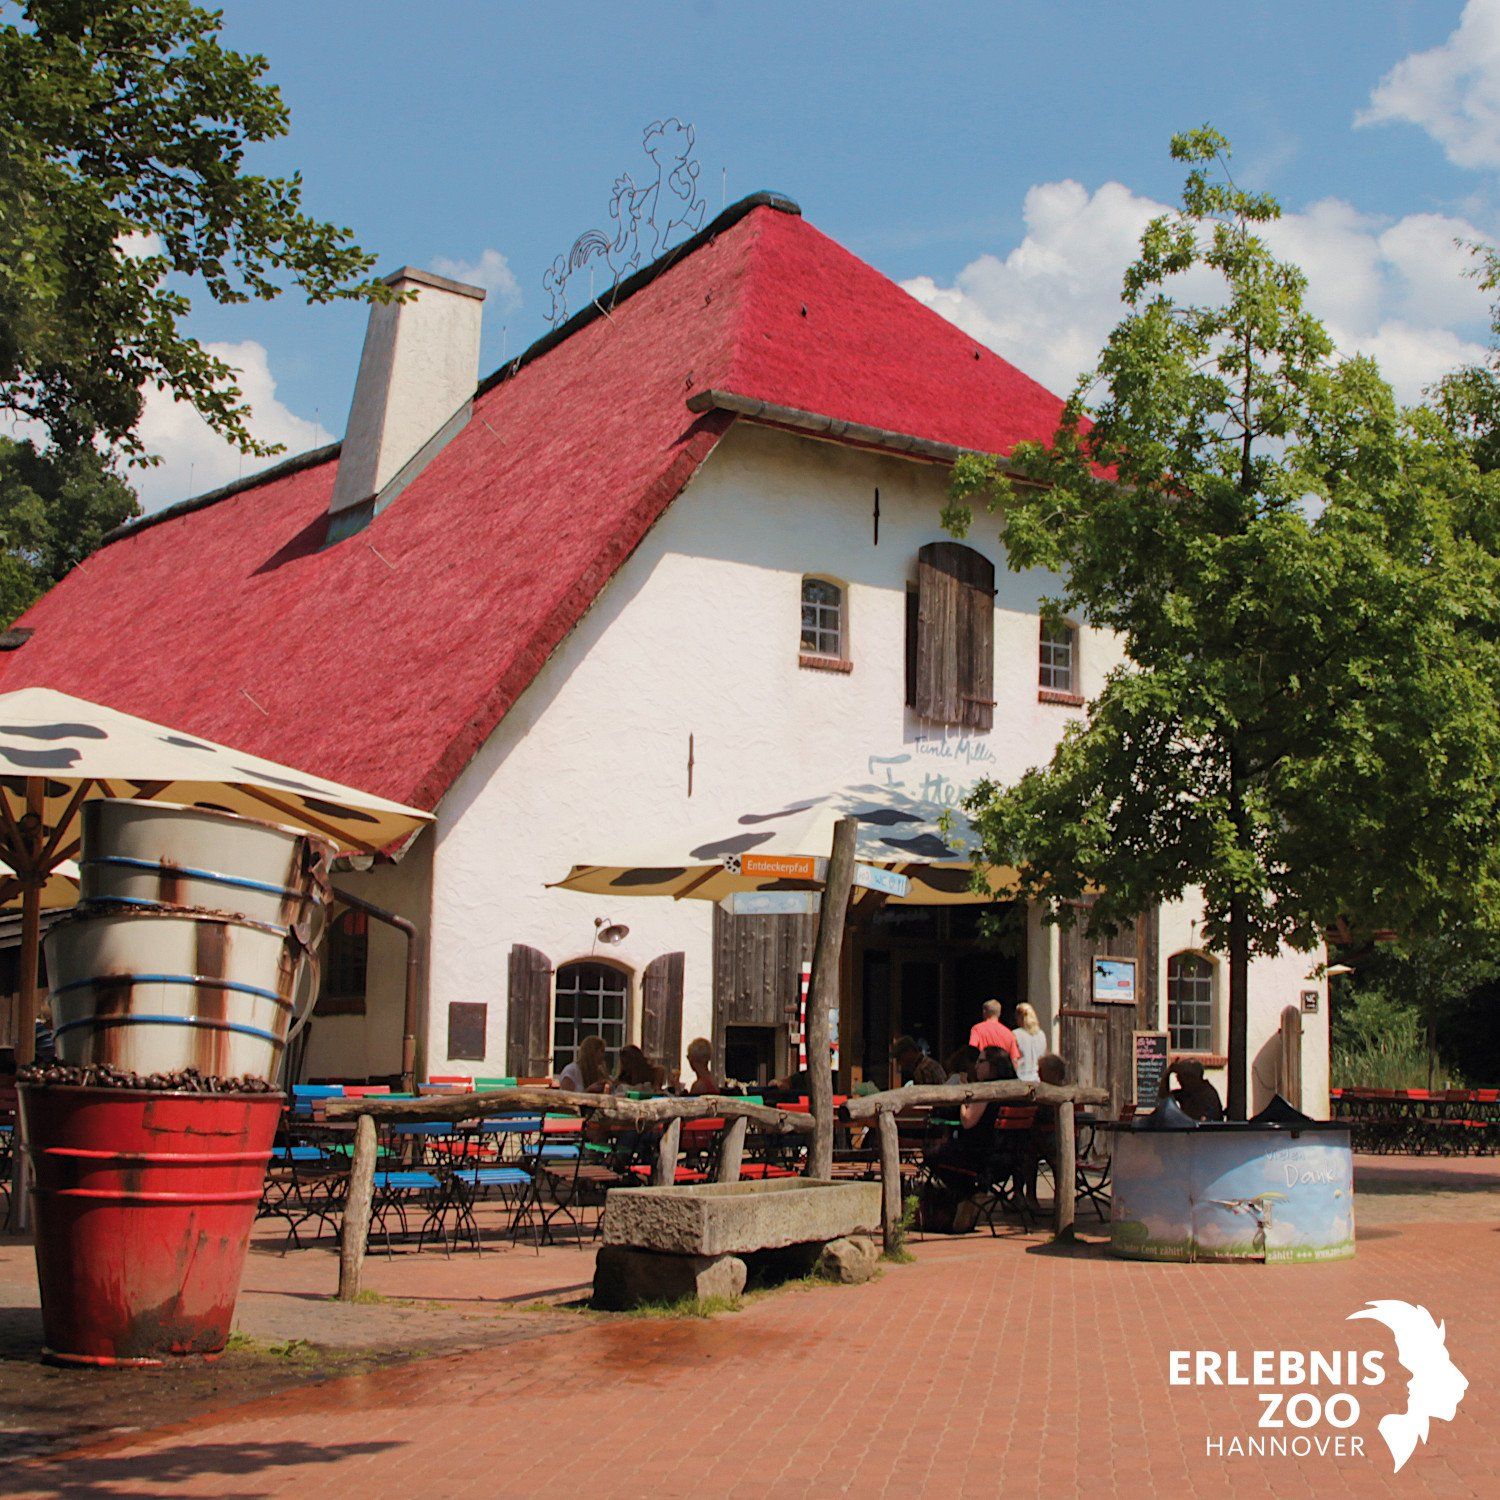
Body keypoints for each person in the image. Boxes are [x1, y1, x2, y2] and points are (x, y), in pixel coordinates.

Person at [968, 999, 1021, 1064]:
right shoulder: (1009, 1033)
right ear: (999, 1013)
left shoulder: (977, 1029)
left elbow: (972, 1050)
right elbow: (1014, 1059)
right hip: (1001, 1068)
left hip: (983, 1066)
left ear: (984, 1012)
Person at [1012, 1002, 1047, 1083]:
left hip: (1022, 1077)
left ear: (1020, 1017)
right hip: (1037, 1078)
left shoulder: (1015, 1034)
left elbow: (1014, 1059)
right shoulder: (1041, 1034)